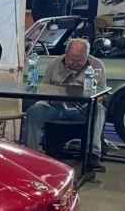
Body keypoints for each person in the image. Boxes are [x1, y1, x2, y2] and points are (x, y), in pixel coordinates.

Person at [25, 38, 107, 169]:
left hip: (82, 110)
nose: (74, 63)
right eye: (71, 59)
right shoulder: (54, 64)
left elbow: (102, 95)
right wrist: (52, 99)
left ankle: (93, 155)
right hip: (57, 108)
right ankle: (30, 154)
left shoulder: (97, 65)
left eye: (79, 60)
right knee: (34, 111)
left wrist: (88, 100)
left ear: (87, 55)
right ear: (65, 52)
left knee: (99, 109)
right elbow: (44, 89)